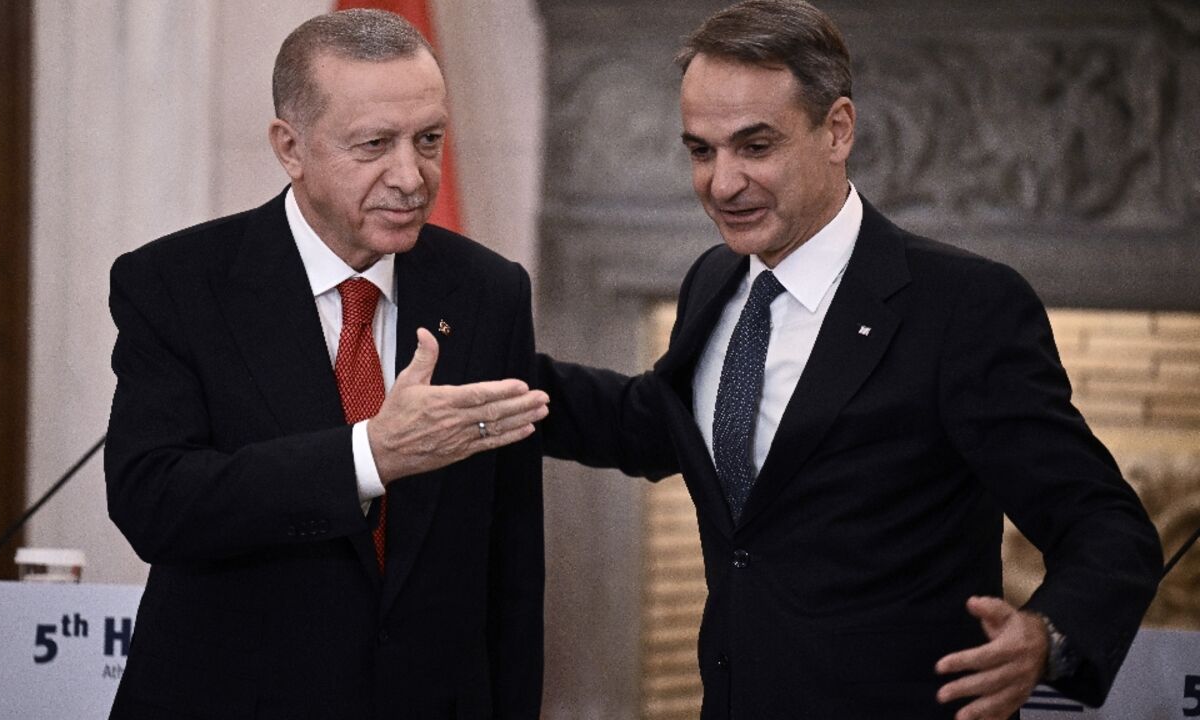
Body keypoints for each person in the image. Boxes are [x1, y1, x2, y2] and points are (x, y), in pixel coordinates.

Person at [537, 2, 1161, 719]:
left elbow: (1106, 525)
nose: (722, 182)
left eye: (755, 146)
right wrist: (481, 373)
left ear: (838, 130)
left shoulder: (964, 306)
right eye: (701, 151)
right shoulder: (714, 280)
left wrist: (1046, 635)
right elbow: (651, 422)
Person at [104, 10, 547, 719]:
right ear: (291, 147)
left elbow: (512, 564)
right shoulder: (177, 283)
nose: (411, 176)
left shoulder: (488, 291)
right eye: (374, 144)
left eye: (428, 140)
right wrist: (366, 457)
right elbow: (153, 500)